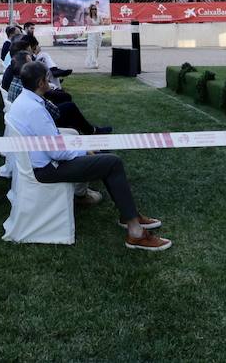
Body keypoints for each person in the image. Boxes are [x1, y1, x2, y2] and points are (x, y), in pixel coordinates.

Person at [11, 61, 170, 251]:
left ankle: (130, 215)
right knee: (112, 162)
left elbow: (51, 142)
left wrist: (80, 146)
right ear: (40, 83)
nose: (50, 81)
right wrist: (84, 150)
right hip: (48, 169)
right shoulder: (34, 109)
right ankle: (135, 232)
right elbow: (57, 152)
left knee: (105, 159)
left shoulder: (25, 100)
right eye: (47, 79)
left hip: (45, 163)